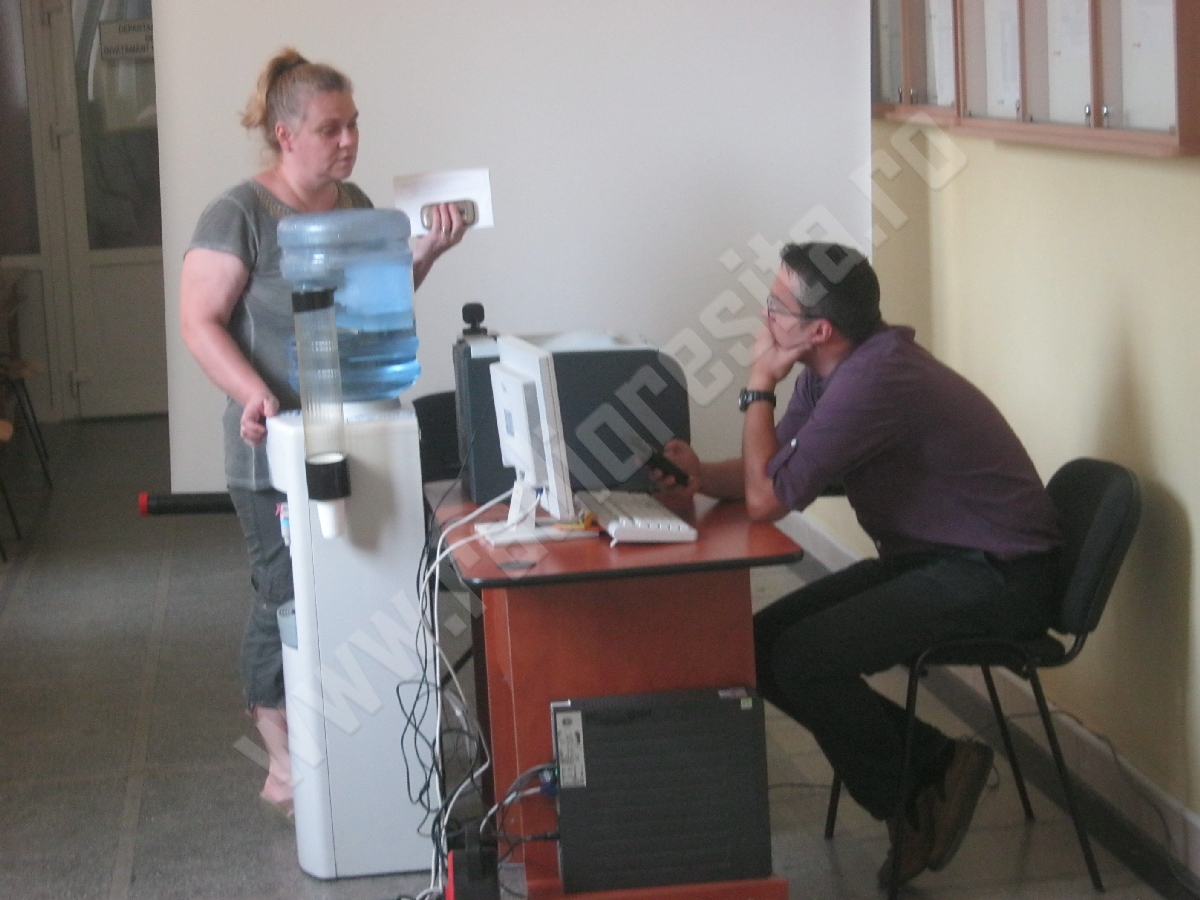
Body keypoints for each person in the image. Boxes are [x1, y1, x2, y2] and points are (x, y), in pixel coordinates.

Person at [656, 242, 1061, 887]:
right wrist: (701, 475)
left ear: (819, 330)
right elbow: (775, 472)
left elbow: (765, 501)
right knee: (760, 645)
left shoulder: (876, 380)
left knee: (802, 658)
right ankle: (932, 772)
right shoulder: (835, 371)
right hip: (940, 558)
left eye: (775, 306)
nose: (764, 317)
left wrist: (757, 385)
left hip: (1001, 575)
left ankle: (921, 790)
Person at [179, 49, 467, 818]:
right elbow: (199, 320)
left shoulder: (356, 203)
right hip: (271, 451)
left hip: (357, 436)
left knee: (357, 591)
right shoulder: (239, 214)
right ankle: (281, 762)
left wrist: (425, 253)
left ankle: (351, 745)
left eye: (354, 125)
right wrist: (253, 395)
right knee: (286, 594)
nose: (349, 141)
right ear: (286, 134)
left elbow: (373, 307)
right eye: (331, 128)